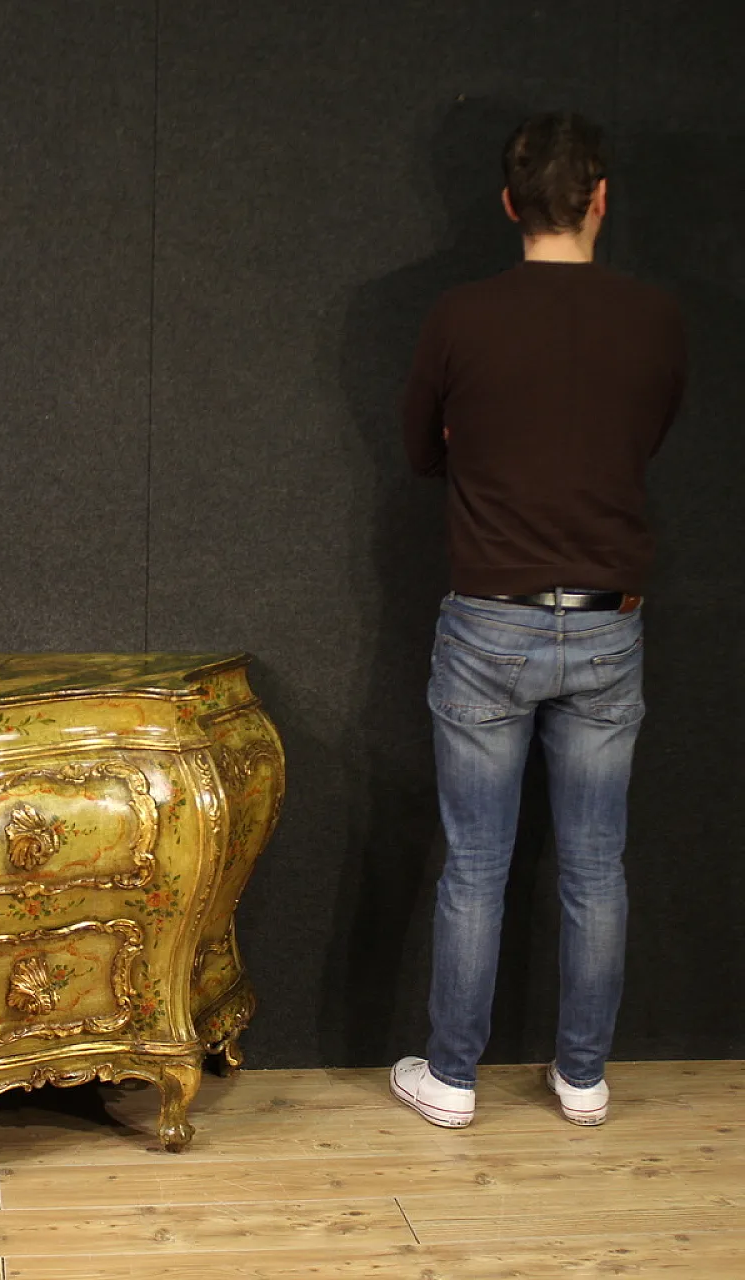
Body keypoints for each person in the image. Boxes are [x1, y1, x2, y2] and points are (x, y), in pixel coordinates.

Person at [390, 112, 687, 1128]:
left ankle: (453, 1079)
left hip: (486, 619)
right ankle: (583, 1076)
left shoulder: (458, 317)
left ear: (508, 203)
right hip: (607, 621)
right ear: (600, 199)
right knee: (594, 862)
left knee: (474, 862)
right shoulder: (653, 319)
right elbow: (640, 438)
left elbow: (421, 452)